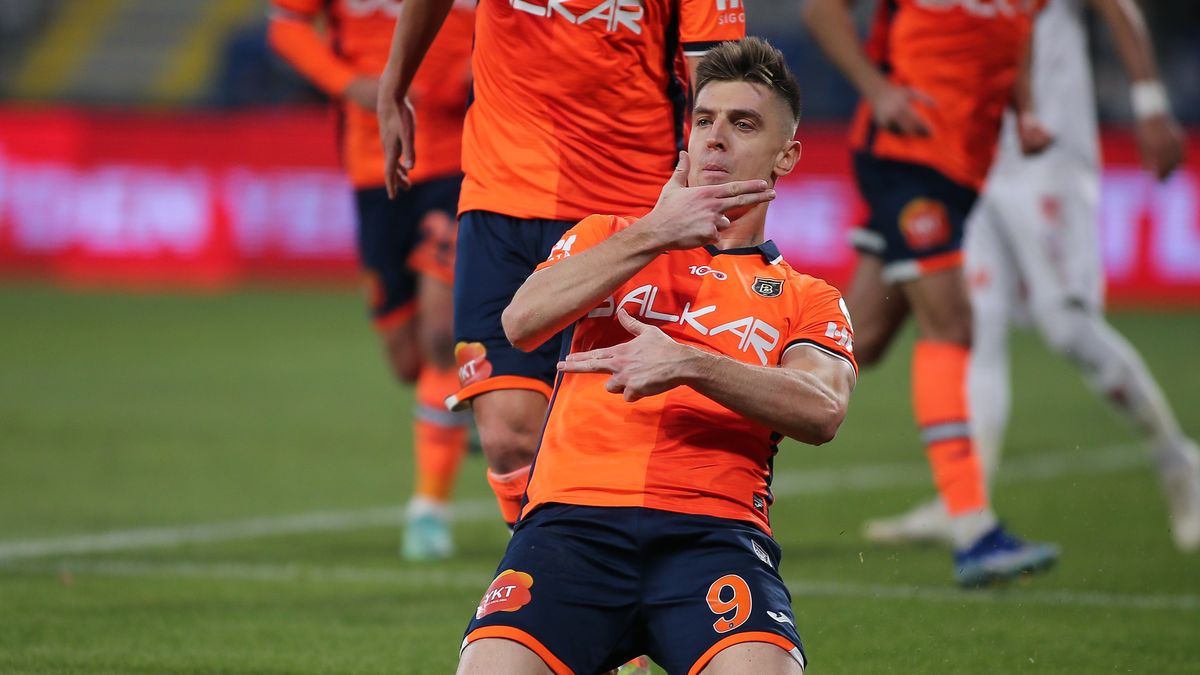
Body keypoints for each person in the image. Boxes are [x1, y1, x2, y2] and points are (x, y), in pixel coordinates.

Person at [456, 38, 854, 675]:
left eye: (743, 123)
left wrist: (692, 363)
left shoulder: (809, 297)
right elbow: (520, 323)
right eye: (704, 120)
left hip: (714, 538)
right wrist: (654, 233)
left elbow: (823, 409)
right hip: (571, 529)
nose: (716, 138)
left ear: (787, 155)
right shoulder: (608, 239)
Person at [375, 0, 746, 531]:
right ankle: (549, 591)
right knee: (507, 439)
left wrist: (712, 190)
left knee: (628, 430)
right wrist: (395, 82)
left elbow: (717, 76)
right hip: (501, 197)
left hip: (629, 213)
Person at [862, 0, 1200, 552]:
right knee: (977, 324)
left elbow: (1120, 9)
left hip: (1049, 153)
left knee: (1066, 326)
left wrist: (1151, 105)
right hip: (974, 152)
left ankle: (1177, 458)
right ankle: (967, 501)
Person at [802, 0, 1059, 585]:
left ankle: (700, 413)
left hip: (962, 164)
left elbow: (1018, 35)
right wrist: (878, 90)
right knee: (954, 325)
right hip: (905, 153)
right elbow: (820, 10)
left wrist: (1027, 109)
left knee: (853, 340)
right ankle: (973, 532)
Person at [268, 0, 473, 560]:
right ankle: (485, 392)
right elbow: (285, 26)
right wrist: (350, 84)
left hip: (460, 160)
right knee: (405, 359)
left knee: (439, 337)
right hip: (372, 164)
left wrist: (473, 73)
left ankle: (428, 510)